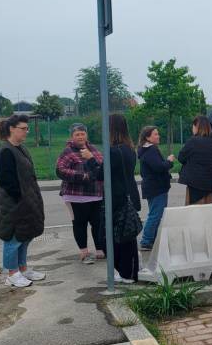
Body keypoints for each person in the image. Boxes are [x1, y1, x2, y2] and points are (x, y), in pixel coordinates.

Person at [0, 115, 46, 287]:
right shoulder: (6, 151)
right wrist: (21, 200)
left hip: (27, 202)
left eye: (27, 128)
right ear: (11, 129)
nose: (26, 132)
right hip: (14, 205)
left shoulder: (21, 148)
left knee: (25, 236)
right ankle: (12, 274)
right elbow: (8, 182)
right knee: (13, 238)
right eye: (23, 128)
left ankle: (23, 269)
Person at [97, 114, 141, 284]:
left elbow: (101, 174)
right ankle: (129, 272)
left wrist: (90, 160)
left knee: (107, 237)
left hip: (115, 199)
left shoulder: (113, 151)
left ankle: (123, 272)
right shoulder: (129, 149)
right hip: (129, 195)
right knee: (127, 236)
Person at [56, 123, 105, 264]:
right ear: (72, 137)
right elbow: (60, 170)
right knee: (80, 223)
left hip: (96, 194)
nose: (80, 136)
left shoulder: (93, 149)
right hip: (75, 195)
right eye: (77, 134)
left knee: (97, 222)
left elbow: (100, 166)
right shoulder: (68, 151)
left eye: (83, 133)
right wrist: (82, 176)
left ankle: (100, 249)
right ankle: (84, 253)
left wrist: (91, 159)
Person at [137, 126, 175, 251]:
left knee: (156, 214)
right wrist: (169, 162)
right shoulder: (151, 150)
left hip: (154, 186)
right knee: (155, 214)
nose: (158, 136)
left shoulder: (146, 149)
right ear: (147, 137)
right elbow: (159, 167)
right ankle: (146, 240)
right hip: (156, 187)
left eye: (158, 134)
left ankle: (150, 240)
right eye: (155, 134)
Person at [178, 116, 212, 205]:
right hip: (209, 181)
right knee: (208, 209)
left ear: (197, 126)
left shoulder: (193, 141)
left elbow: (181, 157)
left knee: (194, 211)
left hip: (195, 183)